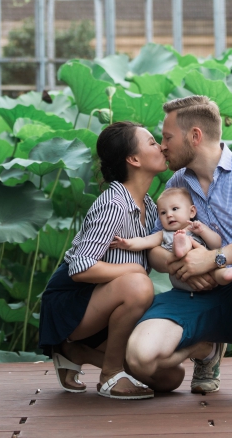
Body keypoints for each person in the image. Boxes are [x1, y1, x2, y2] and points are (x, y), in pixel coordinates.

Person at [125, 95, 232, 408]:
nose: (162, 146)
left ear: (195, 136)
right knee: (138, 358)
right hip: (193, 295)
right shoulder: (177, 182)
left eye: (167, 137)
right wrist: (182, 267)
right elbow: (155, 249)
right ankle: (205, 350)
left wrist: (214, 259)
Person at [38, 120, 167, 400]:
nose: (162, 146)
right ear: (133, 159)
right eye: (152, 143)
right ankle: (110, 375)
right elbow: (81, 267)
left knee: (167, 378)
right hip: (72, 300)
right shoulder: (114, 204)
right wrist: (133, 268)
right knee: (139, 285)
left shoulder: (152, 208)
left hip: (104, 307)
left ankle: (74, 352)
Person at [110, 186, 232, 289]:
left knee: (217, 271)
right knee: (205, 263)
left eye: (175, 209)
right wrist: (127, 243)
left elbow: (217, 244)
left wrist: (203, 231)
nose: (169, 215)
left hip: (204, 269)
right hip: (182, 277)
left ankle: (227, 274)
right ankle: (181, 249)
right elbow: (145, 241)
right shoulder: (163, 234)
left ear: (192, 211)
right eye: (163, 213)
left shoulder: (196, 228)